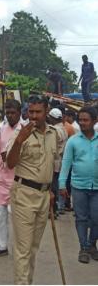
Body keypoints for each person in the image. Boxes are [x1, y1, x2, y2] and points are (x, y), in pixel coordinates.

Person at [6, 95, 58, 285]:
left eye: (38, 112)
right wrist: (19, 141)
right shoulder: (20, 134)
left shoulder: (54, 134)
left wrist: (50, 191)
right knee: (23, 250)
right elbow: (10, 164)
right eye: (31, 112)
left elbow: (51, 166)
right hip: (24, 195)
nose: (33, 116)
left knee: (33, 248)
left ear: (46, 112)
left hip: (44, 196)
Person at [59, 106, 98, 264]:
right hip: (79, 187)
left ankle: (92, 244)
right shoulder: (73, 141)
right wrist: (62, 184)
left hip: (97, 187)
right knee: (81, 218)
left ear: (95, 121)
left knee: (96, 218)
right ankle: (84, 247)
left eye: (86, 120)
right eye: (80, 120)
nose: (82, 123)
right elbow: (66, 163)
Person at [0, 99, 22, 258]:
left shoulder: (25, 130)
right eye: (7, 112)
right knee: (0, 214)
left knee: (15, 214)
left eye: (12, 112)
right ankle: (2, 245)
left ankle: (20, 247)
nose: (10, 115)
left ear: (19, 112)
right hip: (2, 177)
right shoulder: (2, 128)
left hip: (18, 178)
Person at [48, 108, 68, 217]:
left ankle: (53, 210)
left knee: (52, 187)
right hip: (59, 162)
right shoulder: (63, 128)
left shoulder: (55, 130)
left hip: (54, 162)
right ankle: (55, 208)